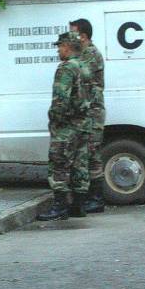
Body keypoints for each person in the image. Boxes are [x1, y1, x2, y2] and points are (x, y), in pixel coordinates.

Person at [37, 31, 92, 221]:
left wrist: (55, 119)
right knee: (80, 164)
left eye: (60, 46)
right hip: (83, 124)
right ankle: (78, 206)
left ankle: (60, 206)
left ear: (67, 47)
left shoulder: (66, 68)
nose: (58, 50)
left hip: (67, 127)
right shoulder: (84, 67)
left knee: (58, 163)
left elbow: (61, 99)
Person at [70, 18, 106, 213]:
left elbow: (79, 74)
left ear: (83, 36)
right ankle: (91, 197)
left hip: (93, 112)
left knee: (92, 154)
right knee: (87, 154)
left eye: (73, 33)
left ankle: (96, 198)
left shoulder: (90, 54)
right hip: (86, 111)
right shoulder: (83, 53)